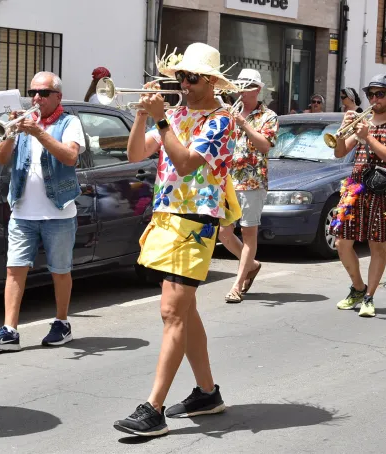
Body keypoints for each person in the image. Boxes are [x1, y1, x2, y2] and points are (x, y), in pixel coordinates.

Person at [113, 42, 239, 437]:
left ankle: (153, 408)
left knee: (172, 311)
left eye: (191, 77)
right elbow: (136, 154)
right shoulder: (178, 112)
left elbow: (185, 164)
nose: (183, 83)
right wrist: (141, 117)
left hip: (197, 220)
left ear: (212, 81)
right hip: (166, 217)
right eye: (180, 76)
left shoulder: (222, 121)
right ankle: (206, 392)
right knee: (185, 311)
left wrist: (162, 121)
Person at [0, 72, 86, 351]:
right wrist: (12, 133)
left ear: (58, 96)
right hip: (23, 211)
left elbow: (71, 157)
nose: (36, 98)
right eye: (33, 92)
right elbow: (1, 159)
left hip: (58, 212)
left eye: (43, 93)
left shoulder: (69, 122)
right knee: (14, 269)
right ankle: (9, 331)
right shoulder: (23, 123)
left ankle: (62, 323)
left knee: (60, 270)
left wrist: (37, 132)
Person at [330, 74, 386, 316]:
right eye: (371, 94)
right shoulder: (364, 125)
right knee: (341, 242)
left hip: (380, 189)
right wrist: (343, 133)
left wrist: (368, 136)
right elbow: (339, 152)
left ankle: (369, 296)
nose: (374, 99)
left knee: (378, 246)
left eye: (380, 94)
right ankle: (357, 287)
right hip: (355, 187)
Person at [219, 69, 278, 303]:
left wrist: (243, 123)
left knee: (248, 233)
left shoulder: (268, 116)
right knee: (223, 233)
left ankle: (237, 284)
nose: (242, 90)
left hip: (252, 181)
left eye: (247, 86)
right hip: (228, 180)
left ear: (258, 89)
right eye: (239, 86)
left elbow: (264, 145)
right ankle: (251, 265)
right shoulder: (230, 112)